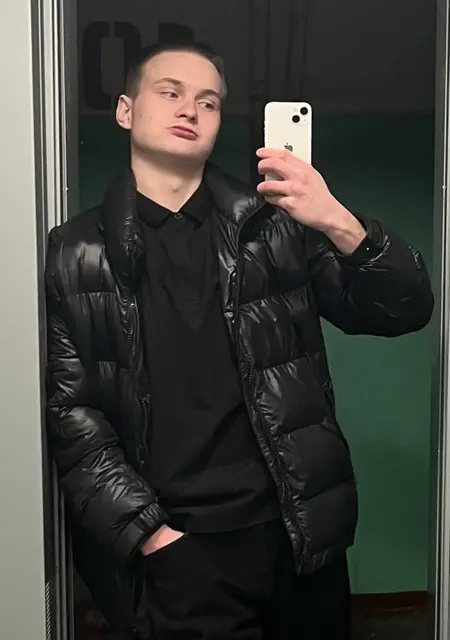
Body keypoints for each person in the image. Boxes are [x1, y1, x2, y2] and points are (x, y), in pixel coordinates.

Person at [45, 40, 434, 640]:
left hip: (296, 538)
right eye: (170, 93)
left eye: (208, 101)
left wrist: (335, 218)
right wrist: (149, 535)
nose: (190, 110)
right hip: (179, 551)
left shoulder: (273, 227)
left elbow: (402, 310)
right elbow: (72, 413)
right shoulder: (76, 251)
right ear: (126, 110)